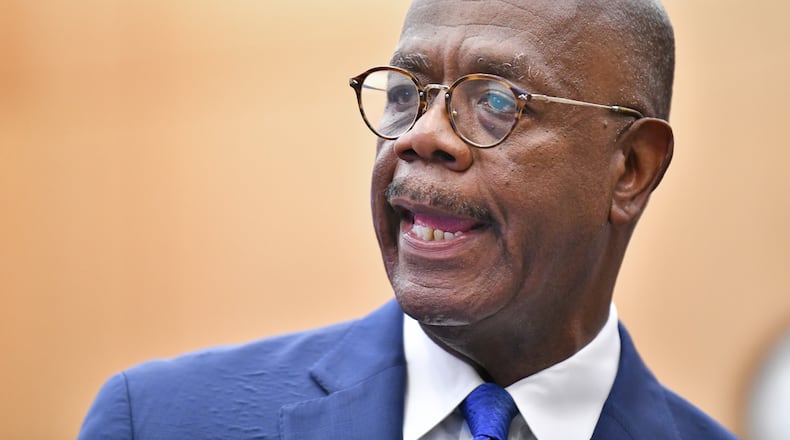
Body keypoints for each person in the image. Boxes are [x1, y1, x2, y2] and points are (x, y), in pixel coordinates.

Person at [78, 0, 739, 439]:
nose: (421, 137)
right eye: (404, 94)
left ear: (631, 168)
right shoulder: (163, 420)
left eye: (497, 101)